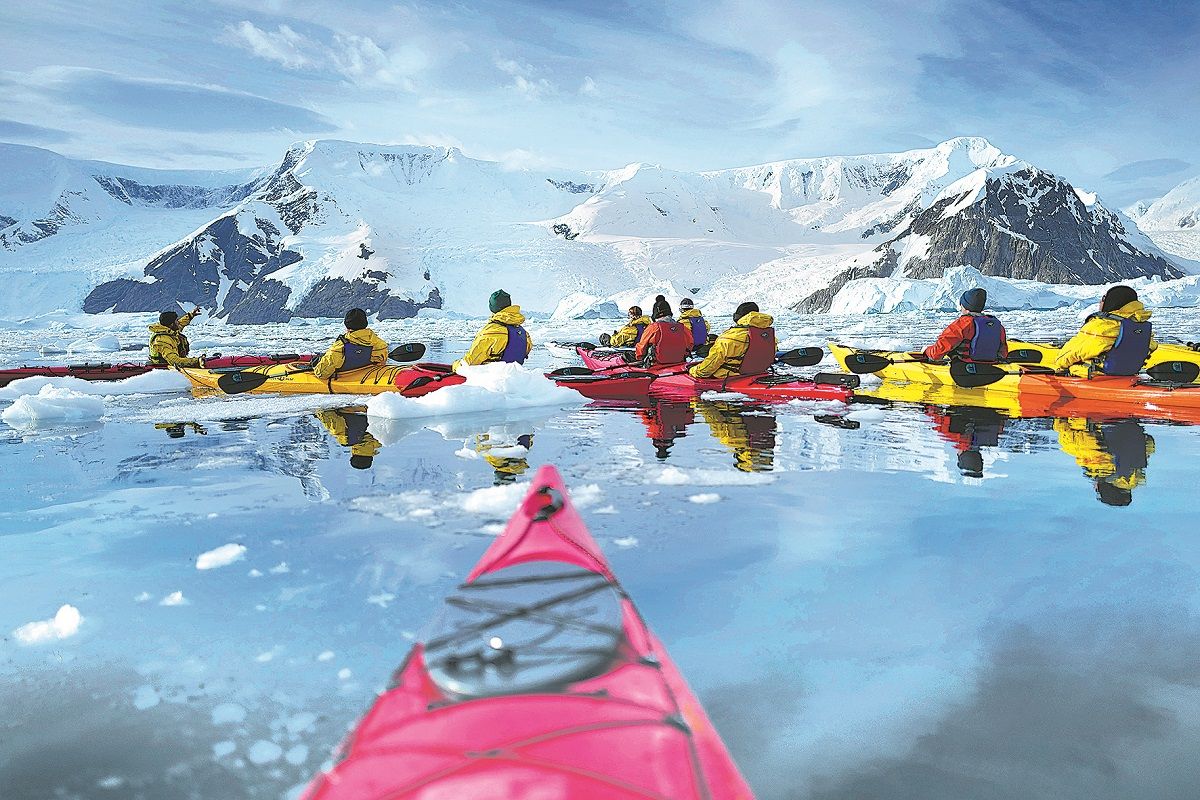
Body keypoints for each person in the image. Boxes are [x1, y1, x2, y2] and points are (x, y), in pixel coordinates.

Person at [1053, 285, 1157, 377]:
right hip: (1129, 373)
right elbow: (1152, 346)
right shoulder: (1141, 325)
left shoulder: (1101, 327)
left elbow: (1071, 354)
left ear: (1112, 301)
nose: (1100, 302)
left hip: (1097, 376)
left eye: (1103, 298)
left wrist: (1059, 364)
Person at [688, 302, 776, 379]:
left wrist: (693, 371)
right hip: (757, 374)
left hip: (730, 378)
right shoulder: (769, 337)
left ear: (737, 317)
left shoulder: (729, 338)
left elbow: (705, 370)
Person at [453, 290, 532, 372]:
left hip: (492, 378)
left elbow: (470, 363)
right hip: (515, 375)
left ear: (492, 307)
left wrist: (456, 365)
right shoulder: (523, 333)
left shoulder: (491, 332)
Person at [921, 288, 1008, 362]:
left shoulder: (961, 325)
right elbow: (1003, 354)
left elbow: (936, 353)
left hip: (964, 370)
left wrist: (926, 351)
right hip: (991, 369)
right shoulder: (997, 326)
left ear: (965, 306)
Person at [313, 308, 389, 380]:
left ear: (347, 325)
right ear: (365, 323)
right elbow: (380, 364)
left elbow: (321, 374)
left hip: (345, 377)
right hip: (368, 375)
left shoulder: (340, 346)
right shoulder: (380, 344)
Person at [634, 296, 693, 365]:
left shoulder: (653, 327)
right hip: (679, 362)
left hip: (656, 364)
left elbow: (642, 346)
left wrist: (639, 358)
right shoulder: (682, 327)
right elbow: (690, 344)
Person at [316, 409, 382, 469]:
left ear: (371, 457)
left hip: (376, 407)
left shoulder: (382, 439)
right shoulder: (346, 439)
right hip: (350, 407)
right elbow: (328, 416)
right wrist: (318, 414)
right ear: (353, 454)